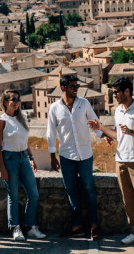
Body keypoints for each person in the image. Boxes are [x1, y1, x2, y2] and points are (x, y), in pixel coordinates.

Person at [88, 76, 134, 251]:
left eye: (116, 92)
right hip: (120, 160)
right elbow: (118, 135)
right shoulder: (118, 111)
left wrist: (131, 131)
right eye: (113, 92)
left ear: (127, 91)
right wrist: (101, 129)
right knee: (127, 201)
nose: (114, 95)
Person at [46, 74, 110, 240]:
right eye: (73, 87)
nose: (76, 89)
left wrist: (104, 135)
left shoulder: (84, 103)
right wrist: (52, 157)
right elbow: (51, 133)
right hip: (66, 155)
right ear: (63, 88)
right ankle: (77, 226)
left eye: (77, 86)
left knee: (89, 189)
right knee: (71, 190)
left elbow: (94, 123)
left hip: (85, 154)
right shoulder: (54, 108)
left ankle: (94, 226)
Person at [0, 89, 47, 241]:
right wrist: (2, 168)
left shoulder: (22, 117)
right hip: (9, 159)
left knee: (34, 193)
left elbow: (25, 141)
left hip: (23, 158)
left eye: (18, 99)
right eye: (13, 99)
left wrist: (31, 157)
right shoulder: (1, 121)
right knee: (13, 195)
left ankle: (30, 227)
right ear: (5, 101)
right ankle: (15, 227)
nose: (17, 102)